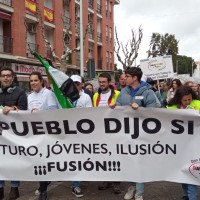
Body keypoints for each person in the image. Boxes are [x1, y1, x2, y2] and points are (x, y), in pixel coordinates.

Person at [112, 67, 160, 200]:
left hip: (142, 134)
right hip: (127, 133)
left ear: (135, 78)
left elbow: (156, 111)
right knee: (131, 161)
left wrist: (140, 110)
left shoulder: (148, 92)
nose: (124, 78)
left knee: (139, 161)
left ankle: (139, 192)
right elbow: (119, 107)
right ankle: (133, 186)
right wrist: (113, 107)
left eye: (127, 76)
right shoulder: (123, 92)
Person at [28, 71, 59, 200]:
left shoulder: (48, 94)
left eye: (36, 80)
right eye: (31, 81)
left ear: (41, 81)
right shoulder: (29, 96)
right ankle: (44, 183)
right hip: (34, 133)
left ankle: (43, 190)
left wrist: (39, 112)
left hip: (47, 133)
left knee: (43, 160)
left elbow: (54, 111)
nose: (33, 83)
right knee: (38, 160)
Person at [167, 85, 200, 200]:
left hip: (194, 146)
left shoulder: (198, 104)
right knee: (182, 173)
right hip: (179, 147)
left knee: (191, 173)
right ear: (178, 99)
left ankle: (191, 197)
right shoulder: (171, 108)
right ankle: (186, 195)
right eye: (184, 100)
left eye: (189, 99)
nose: (187, 102)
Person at [0, 67, 27, 200]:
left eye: (8, 76)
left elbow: (24, 110)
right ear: (0, 78)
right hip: (0, 135)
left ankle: (14, 187)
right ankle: (0, 187)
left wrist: (13, 108)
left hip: (14, 135)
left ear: (12, 78)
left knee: (14, 160)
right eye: (3, 76)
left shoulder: (20, 92)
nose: (5, 78)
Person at [92, 72, 121, 194]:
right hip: (101, 130)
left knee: (115, 156)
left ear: (109, 82)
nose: (102, 84)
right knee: (104, 156)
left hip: (115, 131)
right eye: (100, 82)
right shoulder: (95, 96)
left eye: (104, 82)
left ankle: (116, 182)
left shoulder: (118, 94)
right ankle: (106, 179)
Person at [70, 74, 92, 198]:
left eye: (77, 83)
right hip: (67, 133)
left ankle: (75, 184)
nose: (75, 86)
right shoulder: (64, 95)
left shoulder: (86, 97)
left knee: (78, 158)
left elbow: (89, 114)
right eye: (73, 83)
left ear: (81, 84)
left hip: (82, 133)